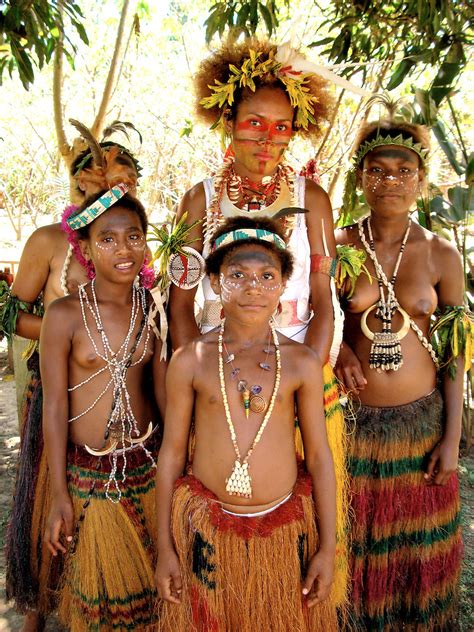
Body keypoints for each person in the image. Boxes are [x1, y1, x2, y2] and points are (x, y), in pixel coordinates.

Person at [168, 39, 349, 604]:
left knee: (293, 516)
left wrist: (309, 379)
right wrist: (204, 387)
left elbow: (322, 298)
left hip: (298, 375)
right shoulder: (200, 200)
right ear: (228, 122)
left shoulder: (311, 199)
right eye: (253, 123)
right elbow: (180, 308)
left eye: (281, 127)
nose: (267, 140)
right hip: (215, 379)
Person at [156, 216, 339, 631]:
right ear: (217, 283)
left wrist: (327, 548)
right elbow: (171, 455)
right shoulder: (191, 359)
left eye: (266, 276)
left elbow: (319, 458)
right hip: (207, 531)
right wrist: (165, 547)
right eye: (237, 274)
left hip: (282, 532)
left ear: (282, 287)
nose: (253, 287)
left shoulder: (303, 362)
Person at [2, 128, 146, 632]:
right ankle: (41, 608)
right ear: (75, 184)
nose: (107, 188)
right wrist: (69, 332)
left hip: (124, 413)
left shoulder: (132, 247)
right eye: (90, 181)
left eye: (121, 181)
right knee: (48, 495)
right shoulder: (48, 241)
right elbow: (10, 313)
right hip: (58, 388)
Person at [335, 113, 468, 630]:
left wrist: (452, 439)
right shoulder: (340, 245)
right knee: (359, 545)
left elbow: (455, 354)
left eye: (402, 170)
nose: (389, 180)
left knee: (418, 550)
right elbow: (312, 325)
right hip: (353, 427)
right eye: (377, 169)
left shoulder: (441, 254)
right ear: (360, 176)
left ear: (420, 180)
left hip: (421, 426)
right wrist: (340, 350)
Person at [42, 188, 166, 630]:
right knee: (98, 600)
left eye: (134, 236)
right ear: (87, 249)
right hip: (86, 474)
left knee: (152, 594)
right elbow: (54, 406)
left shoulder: (154, 308)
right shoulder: (63, 315)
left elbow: (163, 394)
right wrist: (59, 493)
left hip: (144, 465)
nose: (124, 249)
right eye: (108, 239)